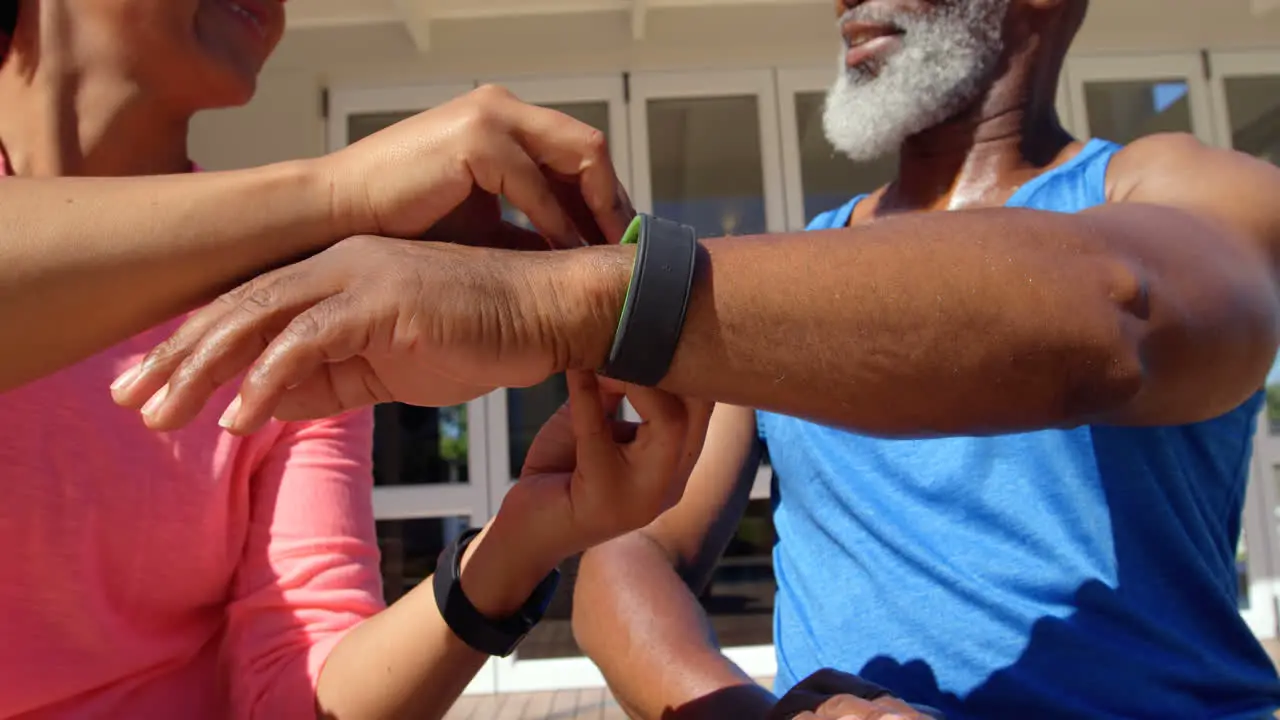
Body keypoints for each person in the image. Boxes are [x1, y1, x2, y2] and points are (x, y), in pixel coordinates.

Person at [122, 0, 1280, 716]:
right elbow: (634, 549)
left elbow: (1119, 315)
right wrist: (733, 710)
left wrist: (557, 300)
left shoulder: (1178, 186)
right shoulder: (796, 271)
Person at [0, 1, 708, 718]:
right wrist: (336, 194)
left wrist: (517, 543)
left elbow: (291, 687)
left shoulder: (295, 308)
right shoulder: (307, 247)